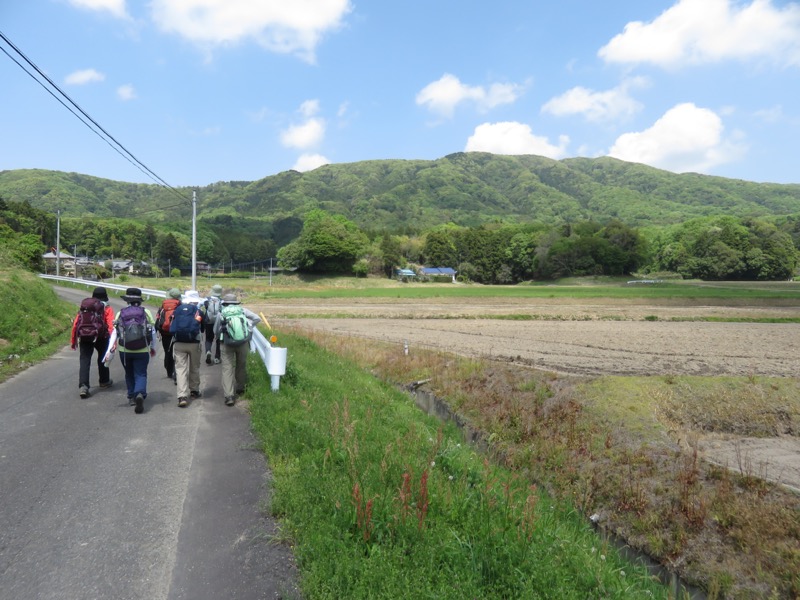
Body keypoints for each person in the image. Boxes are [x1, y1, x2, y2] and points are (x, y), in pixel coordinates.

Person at [103, 287, 156, 414]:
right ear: (140, 300)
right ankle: (140, 393)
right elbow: (152, 331)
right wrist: (153, 347)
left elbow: (115, 333)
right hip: (142, 349)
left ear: (127, 300)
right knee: (141, 373)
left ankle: (132, 396)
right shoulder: (146, 312)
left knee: (129, 372)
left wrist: (109, 350)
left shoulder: (121, 313)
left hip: (124, 349)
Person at [214, 293, 261, 406]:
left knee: (227, 368)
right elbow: (257, 318)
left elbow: (215, 330)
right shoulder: (242, 311)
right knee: (241, 365)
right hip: (243, 342)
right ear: (235, 302)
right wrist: (249, 328)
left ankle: (229, 396)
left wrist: (220, 336)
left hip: (226, 343)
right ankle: (240, 387)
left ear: (225, 303)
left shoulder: (221, 313)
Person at [70, 286, 115, 398]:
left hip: (85, 336)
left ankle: (84, 386)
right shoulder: (107, 308)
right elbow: (111, 325)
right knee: (103, 358)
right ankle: (104, 381)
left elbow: (76, 323)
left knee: (85, 360)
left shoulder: (86, 307)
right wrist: (113, 342)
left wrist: (73, 341)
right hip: (101, 337)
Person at [171, 290, 205, 408]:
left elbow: (172, 324)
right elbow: (203, 328)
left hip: (179, 342)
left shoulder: (178, 310)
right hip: (194, 343)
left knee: (180, 369)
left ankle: (182, 396)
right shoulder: (198, 311)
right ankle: (194, 391)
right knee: (194, 367)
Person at [155, 288, 182, 384]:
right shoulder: (180, 305)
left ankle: (169, 371)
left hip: (165, 332)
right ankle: (176, 372)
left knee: (167, 351)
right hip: (177, 332)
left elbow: (158, 319)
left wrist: (158, 330)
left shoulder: (163, 305)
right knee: (178, 353)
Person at [203, 284, 223, 365]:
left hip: (208, 321)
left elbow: (198, 306)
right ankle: (217, 358)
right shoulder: (222, 301)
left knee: (208, 338)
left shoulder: (207, 300)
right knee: (218, 339)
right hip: (218, 321)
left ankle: (208, 351)